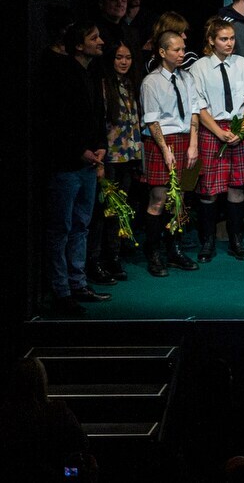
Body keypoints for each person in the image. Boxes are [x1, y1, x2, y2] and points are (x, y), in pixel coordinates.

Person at [41, 23, 108, 313]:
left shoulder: (91, 73)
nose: (101, 42)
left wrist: (100, 145)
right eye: (94, 38)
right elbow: (55, 120)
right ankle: (61, 291)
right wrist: (79, 150)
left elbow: (98, 116)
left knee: (81, 225)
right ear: (79, 45)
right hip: (67, 165)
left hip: (88, 164)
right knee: (61, 228)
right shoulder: (60, 74)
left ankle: (78, 283)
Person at [193, 16, 244, 263]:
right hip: (212, 130)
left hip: (238, 129)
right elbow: (198, 106)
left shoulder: (241, 63)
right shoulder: (199, 67)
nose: (229, 43)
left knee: (236, 187)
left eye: (231, 38)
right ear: (212, 40)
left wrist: (242, 129)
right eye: (224, 39)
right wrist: (218, 132)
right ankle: (207, 241)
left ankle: (236, 240)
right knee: (209, 189)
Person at [139, 29, 201, 275]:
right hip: (163, 141)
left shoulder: (187, 78)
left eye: (183, 49)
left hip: (187, 140)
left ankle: (174, 249)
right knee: (159, 199)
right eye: (176, 50)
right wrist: (165, 149)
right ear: (162, 52)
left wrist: (194, 143)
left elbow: (195, 109)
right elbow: (152, 120)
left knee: (180, 200)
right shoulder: (151, 82)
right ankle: (153, 252)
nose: (181, 54)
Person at [89, 38, 143, 286]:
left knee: (121, 211)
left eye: (128, 57)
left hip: (127, 158)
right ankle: (96, 262)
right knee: (104, 213)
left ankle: (114, 258)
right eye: (119, 57)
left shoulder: (129, 84)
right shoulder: (102, 86)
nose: (124, 62)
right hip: (108, 158)